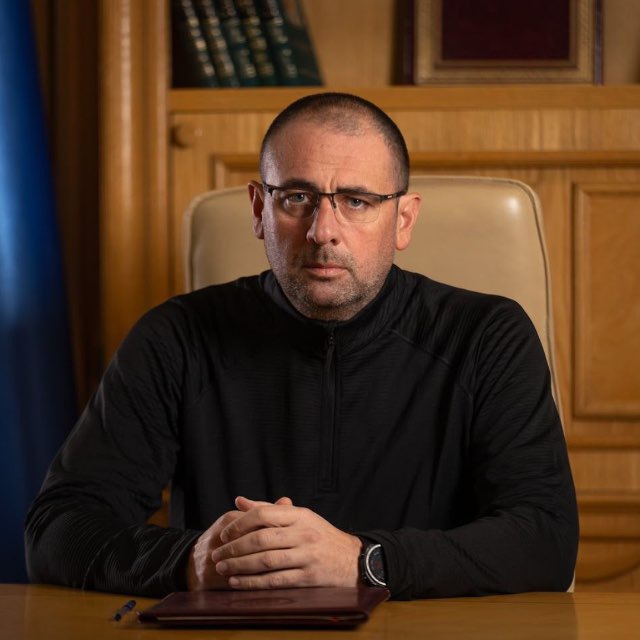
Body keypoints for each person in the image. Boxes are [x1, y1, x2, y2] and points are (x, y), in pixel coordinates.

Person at [25, 92, 578, 600]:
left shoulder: (488, 336)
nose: (322, 231)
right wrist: (192, 561)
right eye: (296, 197)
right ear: (258, 210)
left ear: (403, 220)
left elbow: (545, 540)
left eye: (356, 201)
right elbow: (57, 529)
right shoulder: (175, 337)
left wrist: (363, 562)